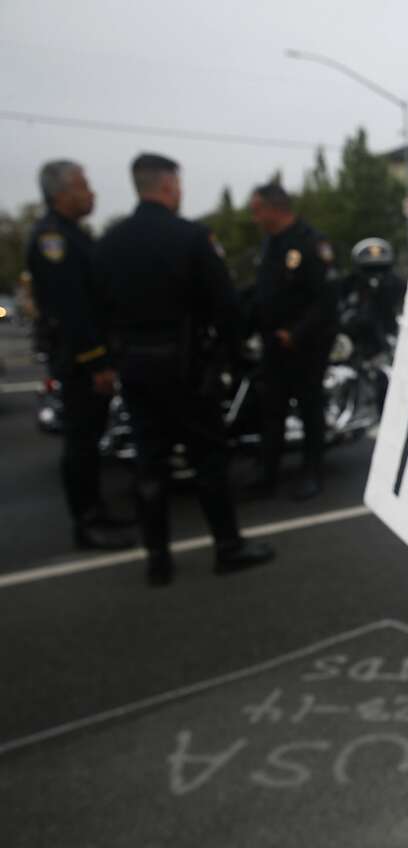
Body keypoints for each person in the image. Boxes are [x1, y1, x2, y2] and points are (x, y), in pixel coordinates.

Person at [94, 153, 274, 586]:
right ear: (169, 185)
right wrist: (235, 357)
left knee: (149, 466)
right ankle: (227, 547)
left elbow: (98, 308)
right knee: (210, 462)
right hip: (188, 370)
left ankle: (158, 559)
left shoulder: (109, 242)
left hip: (136, 370)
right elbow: (226, 305)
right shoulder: (192, 237)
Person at [26, 160, 134, 550]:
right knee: (81, 443)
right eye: (84, 186)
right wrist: (96, 361)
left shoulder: (72, 234)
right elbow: (73, 308)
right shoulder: (53, 239)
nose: (92, 193)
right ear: (61, 194)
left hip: (86, 355)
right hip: (79, 360)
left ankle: (97, 512)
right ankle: (87, 524)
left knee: (90, 441)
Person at [246, 182, 338, 501]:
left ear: (274, 209)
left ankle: (312, 472)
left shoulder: (311, 243)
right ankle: (266, 473)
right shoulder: (270, 245)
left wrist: (296, 333)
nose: (254, 218)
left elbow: (325, 299)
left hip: (305, 344)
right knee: (271, 410)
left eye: (257, 211)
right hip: (273, 342)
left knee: (310, 408)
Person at [341, 237, 405, 360]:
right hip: (356, 349)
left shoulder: (396, 285)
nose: (375, 276)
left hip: (393, 344)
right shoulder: (350, 285)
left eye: (380, 270)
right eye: (369, 270)